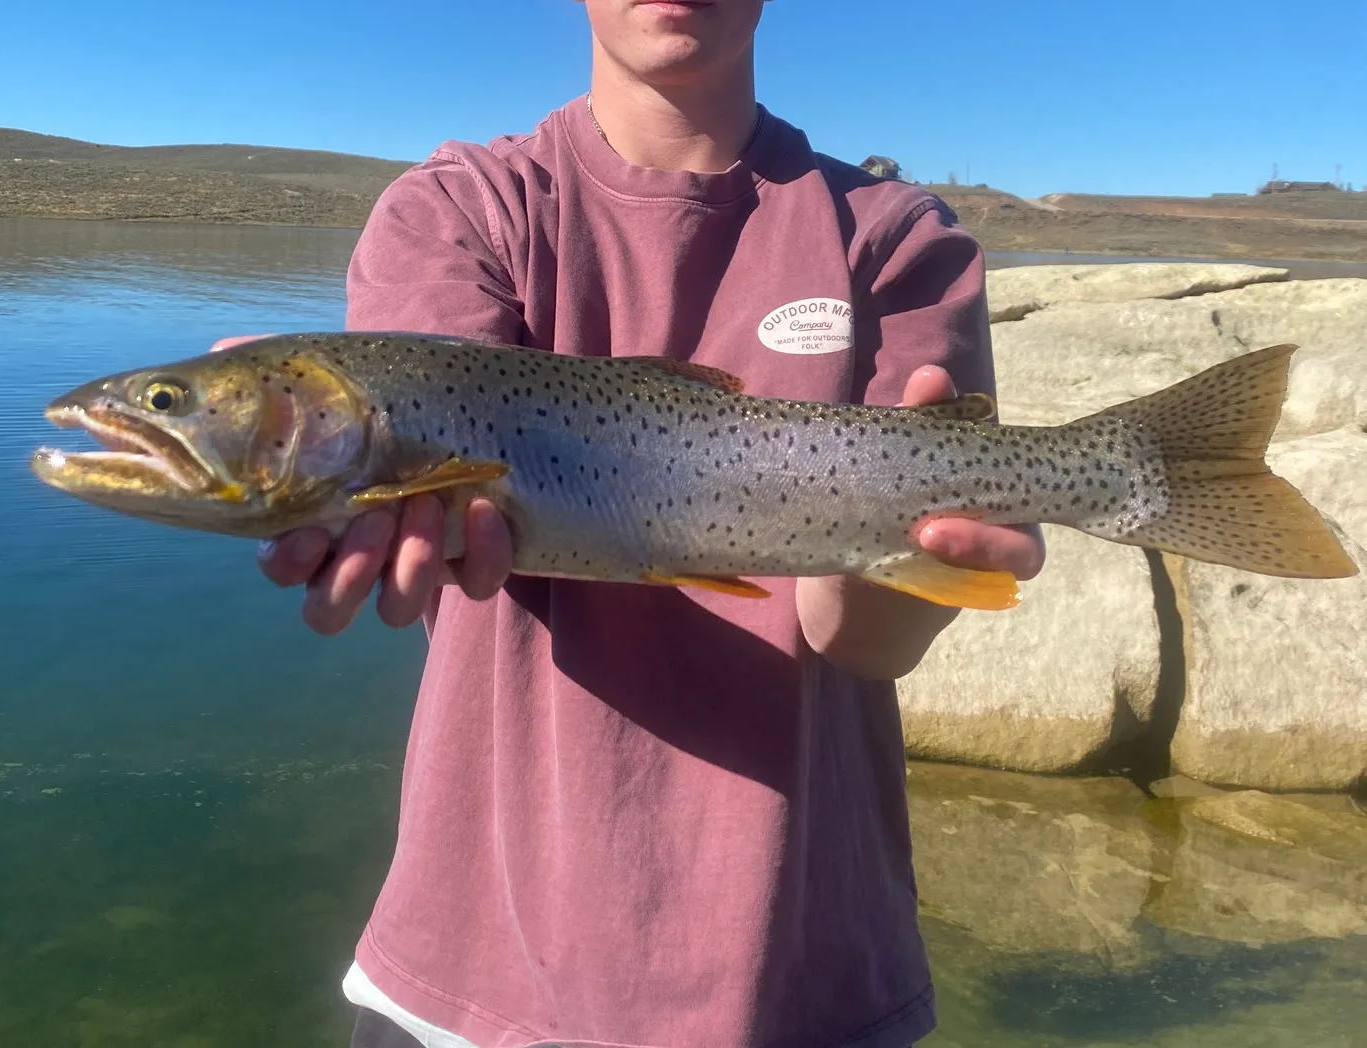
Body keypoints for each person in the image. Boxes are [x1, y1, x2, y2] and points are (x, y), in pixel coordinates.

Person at [224, 1, 1043, 1044]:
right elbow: (420, 457)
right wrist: (347, 478)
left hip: (801, 986)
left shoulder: (895, 237)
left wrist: (909, 544)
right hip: (472, 981)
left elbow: (862, 641)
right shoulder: (461, 207)